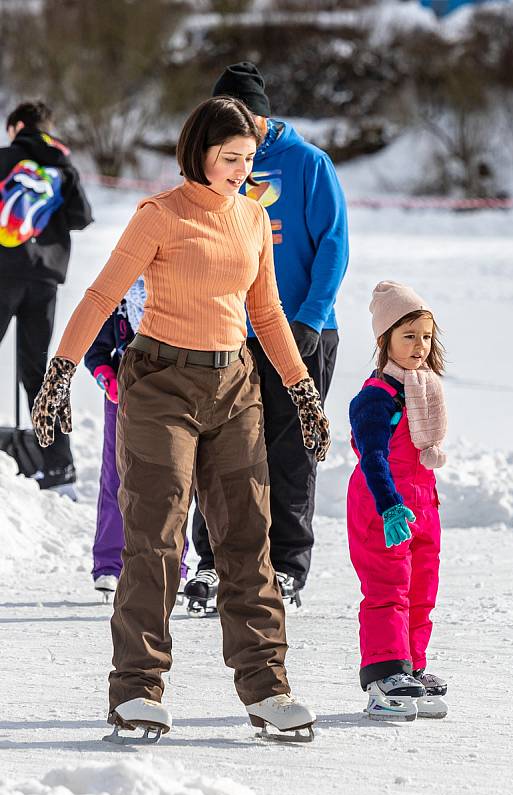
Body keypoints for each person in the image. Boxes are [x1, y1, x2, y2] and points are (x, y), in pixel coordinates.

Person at [32, 97, 330, 742]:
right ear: (198, 152)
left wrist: (302, 391)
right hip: (160, 384)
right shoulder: (159, 216)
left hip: (235, 385)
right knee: (157, 536)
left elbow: (269, 313)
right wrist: (59, 372)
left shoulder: (252, 217)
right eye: (230, 158)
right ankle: (137, 691)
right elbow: (102, 295)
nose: (241, 171)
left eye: (249, 160)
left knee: (248, 541)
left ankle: (269, 689)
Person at [189, 61, 349, 611]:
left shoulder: (309, 164)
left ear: (261, 117)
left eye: (240, 122)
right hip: (230, 330)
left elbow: (333, 245)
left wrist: (310, 316)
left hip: (303, 328)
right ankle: (213, 563)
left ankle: (286, 566)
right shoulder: (214, 166)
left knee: (289, 449)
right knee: (219, 448)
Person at [347, 281, 449, 722]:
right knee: (389, 590)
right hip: (381, 506)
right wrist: (389, 505)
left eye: (425, 335)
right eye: (408, 336)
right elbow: (370, 456)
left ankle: (412, 664)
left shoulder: (422, 388)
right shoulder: (377, 396)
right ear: (384, 339)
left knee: (422, 591)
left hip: (422, 505)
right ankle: (385, 673)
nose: (420, 346)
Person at [0, 101, 93, 496]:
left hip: (3, 273)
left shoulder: (4, 158)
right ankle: (58, 467)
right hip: (44, 282)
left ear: (17, 126)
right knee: (38, 371)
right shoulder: (63, 165)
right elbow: (81, 217)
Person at [83, 278, 191, 601]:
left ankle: (175, 564)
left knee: (176, 478)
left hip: (173, 392)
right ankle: (109, 564)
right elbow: (95, 349)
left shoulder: (181, 290)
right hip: (125, 397)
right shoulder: (117, 295)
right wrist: (108, 378)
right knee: (117, 476)